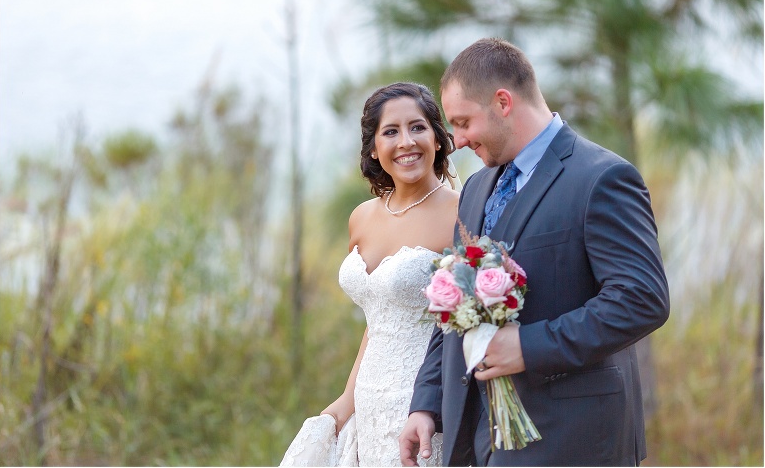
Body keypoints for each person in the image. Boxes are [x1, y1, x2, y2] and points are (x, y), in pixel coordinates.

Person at [399, 38, 670, 466]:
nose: (459, 141)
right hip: (481, 443)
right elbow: (451, 301)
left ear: (503, 102)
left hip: (573, 440)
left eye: (464, 122)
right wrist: (426, 403)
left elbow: (641, 300)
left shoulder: (603, 178)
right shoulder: (473, 190)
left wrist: (528, 345)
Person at [281, 82, 460, 467]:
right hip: (368, 399)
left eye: (418, 127)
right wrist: (347, 401)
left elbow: (465, 322)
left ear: (438, 138)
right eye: (391, 132)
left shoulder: (462, 214)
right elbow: (379, 319)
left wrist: (434, 406)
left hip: (426, 404)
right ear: (374, 148)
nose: (406, 142)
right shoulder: (361, 217)